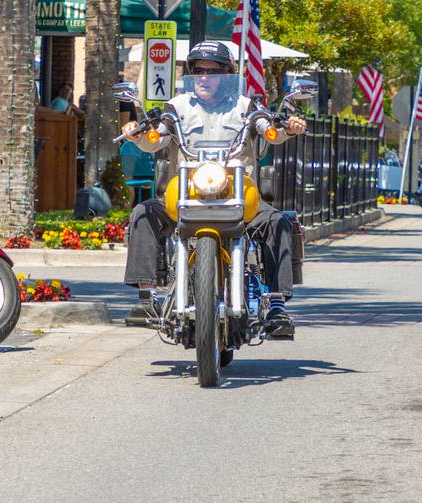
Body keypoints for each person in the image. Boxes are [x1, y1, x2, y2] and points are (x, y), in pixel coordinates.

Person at [120, 40, 307, 338]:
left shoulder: (245, 106)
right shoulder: (176, 107)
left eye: (214, 70)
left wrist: (287, 128)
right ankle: (147, 298)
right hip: (187, 192)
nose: (205, 76)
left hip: (236, 192)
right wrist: (137, 134)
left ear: (228, 74)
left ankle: (276, 305)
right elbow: (157, 136)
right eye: (198, 70)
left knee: (278, 222)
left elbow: (267, 129)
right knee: (143, 213)